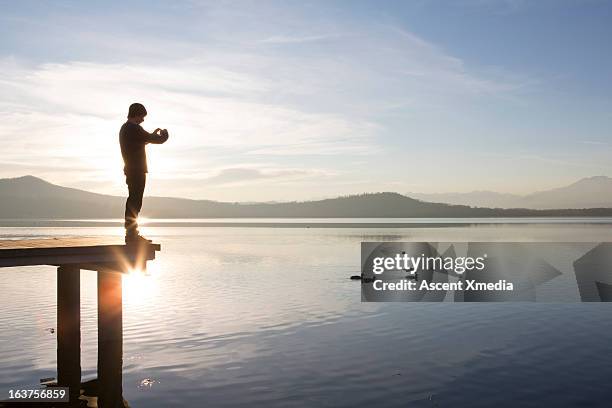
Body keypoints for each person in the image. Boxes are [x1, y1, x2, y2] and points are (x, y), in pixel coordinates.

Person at [119, 103, 169, 243]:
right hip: (136, 170)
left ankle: (131, 233)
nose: (143, 119)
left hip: (131, 169)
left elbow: (142, 140)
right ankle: (131, 234)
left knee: (134, 200)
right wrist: (164, 135)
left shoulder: (126, 128)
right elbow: (155, 140)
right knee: (135, 201)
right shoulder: (133, 128)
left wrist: (150, 136)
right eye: (142, 116)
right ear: (136, 114)